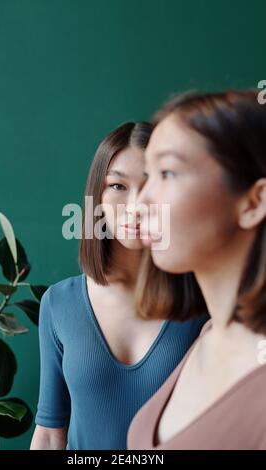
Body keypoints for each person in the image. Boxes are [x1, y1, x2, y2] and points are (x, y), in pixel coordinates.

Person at [30, 121, 207, 450]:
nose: (136, 204)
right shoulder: (59, 303)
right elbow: (50, 433)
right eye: (118, 186)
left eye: (151, 183)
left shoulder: (203, 298)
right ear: (96, 195)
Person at [127, 90, 266, 450]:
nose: (141, 201)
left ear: (255, 202)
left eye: (168, 172)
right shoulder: (209, 334)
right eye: (149, 174)